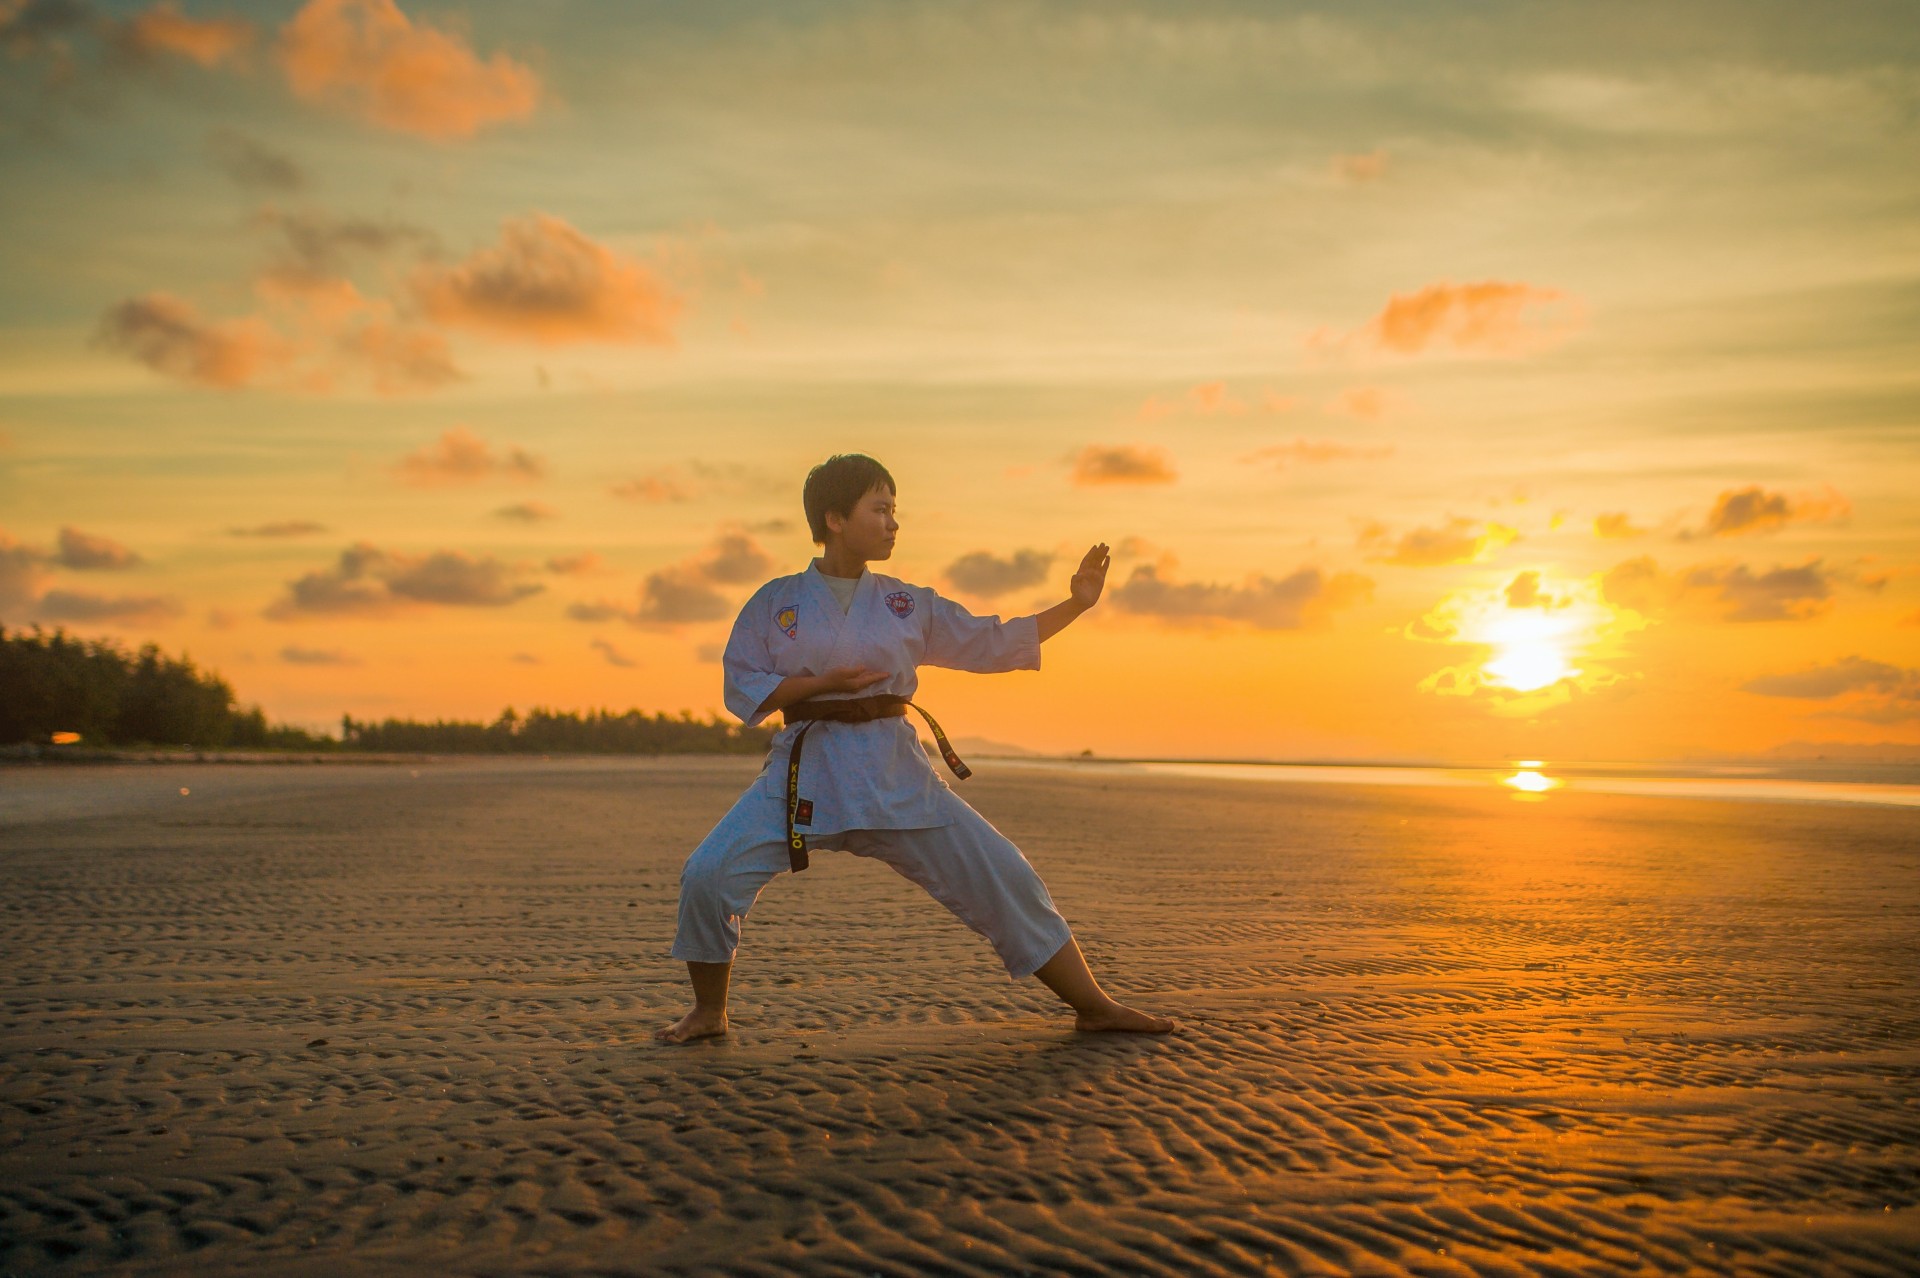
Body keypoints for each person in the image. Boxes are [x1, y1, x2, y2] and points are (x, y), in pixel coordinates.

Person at [657, 453, 1174, 1043]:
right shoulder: (776, 603)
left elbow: (992, 642)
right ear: (834, 519)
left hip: (895, 773)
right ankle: (709, 1011)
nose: (893, 523)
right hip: (807, 770)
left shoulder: (907, 603)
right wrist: (821, 684)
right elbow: (741, 683)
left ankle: (1094, 1005)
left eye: (894, 510)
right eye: (880, 509)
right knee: (708, 873)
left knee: (1003, 873)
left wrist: (1076, 604)